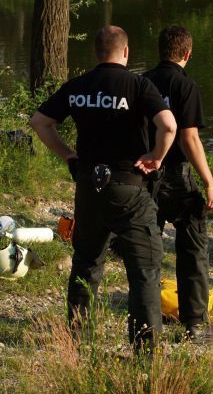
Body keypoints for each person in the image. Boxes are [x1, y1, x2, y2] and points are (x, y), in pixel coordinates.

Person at [29, 26, 177, 351]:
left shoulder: (78, 86)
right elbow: (168, 125)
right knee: (144, 271)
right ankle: (144, 351)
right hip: (129, 189)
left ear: (97, 53)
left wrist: (68, 154)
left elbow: (40, 122)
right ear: (126, 52)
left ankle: (78, 340)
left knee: (86, 261)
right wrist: (156, 157)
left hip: (89, 187)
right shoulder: (139, 85)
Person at [143, 25, 213, 342]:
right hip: (176, 175)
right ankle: (195, 325)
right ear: (187, 54)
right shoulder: (185, 86)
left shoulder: (141, 81)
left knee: (147, 250)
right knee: (192, 248)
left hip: (144, 172)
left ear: (161, 50)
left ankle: (147, 321)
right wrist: (209, 183)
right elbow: (189, 138)